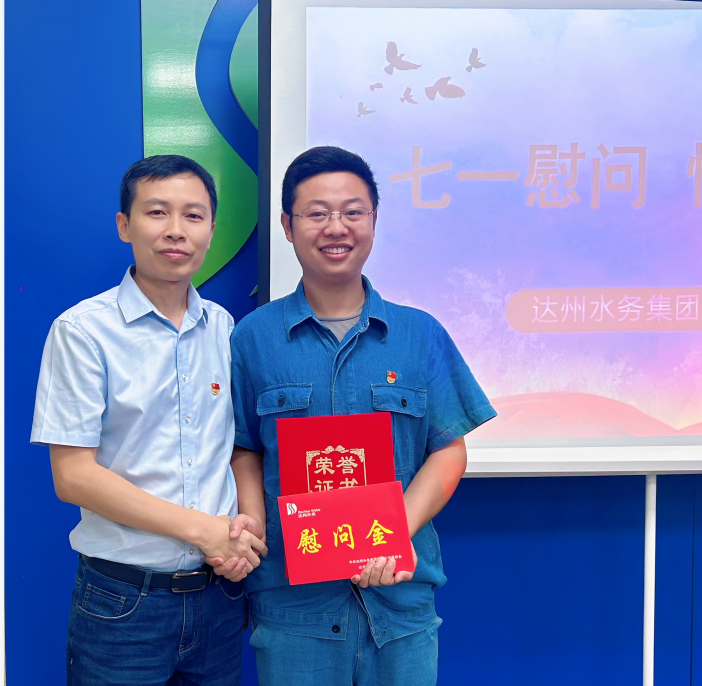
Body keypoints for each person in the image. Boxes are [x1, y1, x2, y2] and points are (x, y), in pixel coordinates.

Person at [207, 146, 496, 685]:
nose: (336, 227)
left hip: (400, 603)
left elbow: (448, 450)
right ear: (288, 226)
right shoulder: (252, 338)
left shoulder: (420, 334)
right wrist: (253, 520)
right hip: (295, 607)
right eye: (317, 213)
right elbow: (244, 447)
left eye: (352, 211)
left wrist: (393, 532)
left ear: (374, 221)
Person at [31, 154, 266, 686]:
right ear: (125, 225)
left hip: (220, 596)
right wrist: (205, 531)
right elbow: (73, 477)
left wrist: (246, 529)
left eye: (193, 215)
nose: (176, 230)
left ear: (211, 229)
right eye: (157, 212)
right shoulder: (83, 331)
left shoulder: (224, 328)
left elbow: (236, 447)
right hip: (123, 603)